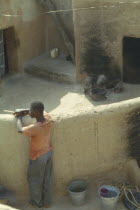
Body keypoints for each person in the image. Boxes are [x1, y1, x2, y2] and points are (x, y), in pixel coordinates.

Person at [15, 101, 52, 208]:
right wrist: (25, 111)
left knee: (35, 180)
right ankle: (47, 202)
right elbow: (41, 110)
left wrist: (18, 117)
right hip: (48, 152)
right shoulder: (48, 118)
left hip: (38, 157)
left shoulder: (34, 127)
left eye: (31, 110)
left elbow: (19, 129)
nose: (29, 111)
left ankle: (37, 203)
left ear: (36, 112)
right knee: (47, 179)